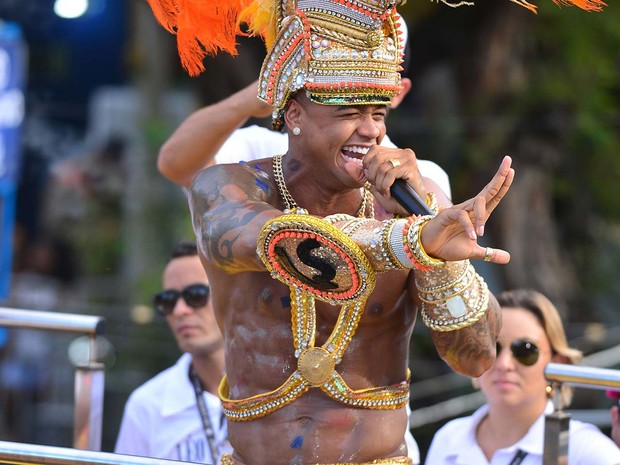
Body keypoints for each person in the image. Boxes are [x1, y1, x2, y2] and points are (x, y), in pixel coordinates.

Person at [425, 289, 620, 465]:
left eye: (525, 351)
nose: (504, 364)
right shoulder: (449, 439)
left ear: (558, 362)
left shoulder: (583, 448)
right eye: (492, 348)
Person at [115, 241, 231, 464]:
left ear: (231, 295)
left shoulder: (279, 391)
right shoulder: (146, 406)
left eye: (195, 295)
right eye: (167, 300)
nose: (179, 311)